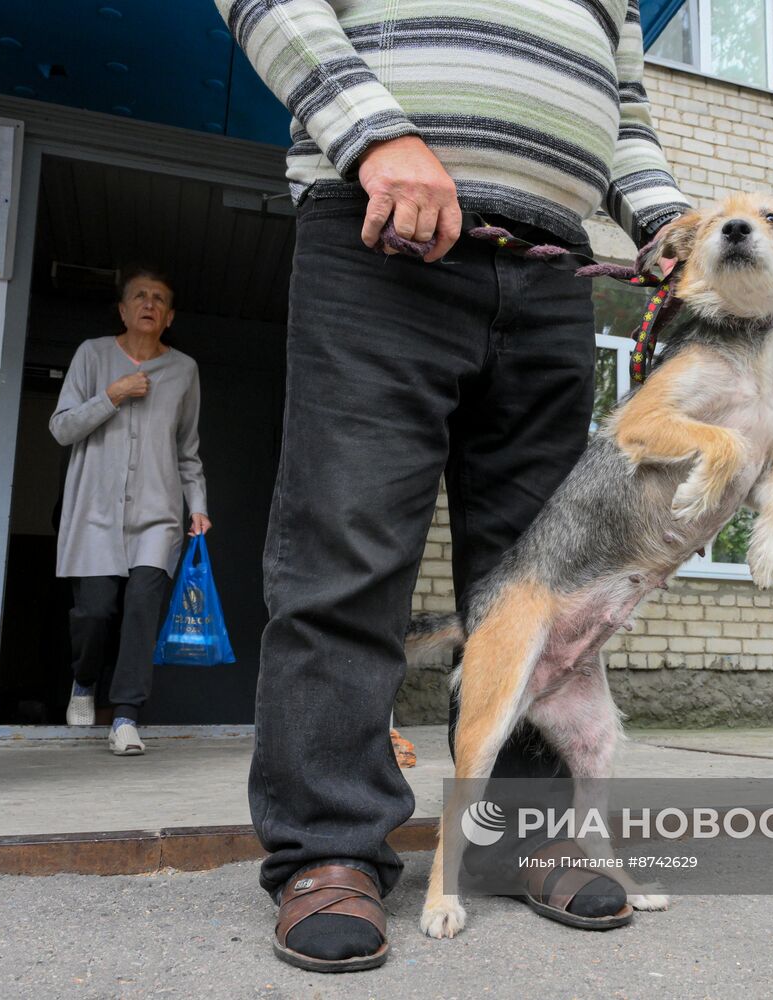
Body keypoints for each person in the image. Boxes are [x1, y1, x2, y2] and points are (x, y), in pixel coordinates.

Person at [218, 0, 692, 971]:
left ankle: (530, 830)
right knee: (345, 551)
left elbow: (626, 113)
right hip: (379, 230)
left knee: (536, 589)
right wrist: (374, 132)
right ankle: (332, 851)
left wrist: (665, 220)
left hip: (553, 269)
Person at [50, 266, 211, 757]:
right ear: (122, 309)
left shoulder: (184, 370)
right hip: (94, 510)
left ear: (169, 316)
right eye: (139, 295)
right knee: (94, 612)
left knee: (143, 610)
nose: (149, 303)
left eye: (159, 298)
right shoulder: (91, 355)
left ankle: (125, 716)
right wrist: (112, 395)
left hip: (158, 513)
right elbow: (61, 428)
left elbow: (187, 448)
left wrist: (198, 506)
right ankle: (83, 682)